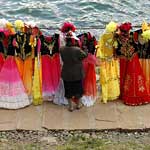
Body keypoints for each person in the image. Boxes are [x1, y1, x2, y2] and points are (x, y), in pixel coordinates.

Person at [60, 22, 87, 111]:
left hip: (66, 73)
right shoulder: (77, 50)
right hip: (77, 73)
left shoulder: (62, 49)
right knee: (78, 89)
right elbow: (84, 55)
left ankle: (71, 106)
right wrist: (84, 49)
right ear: (73, 40)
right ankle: (78, 105)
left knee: (68, 90)